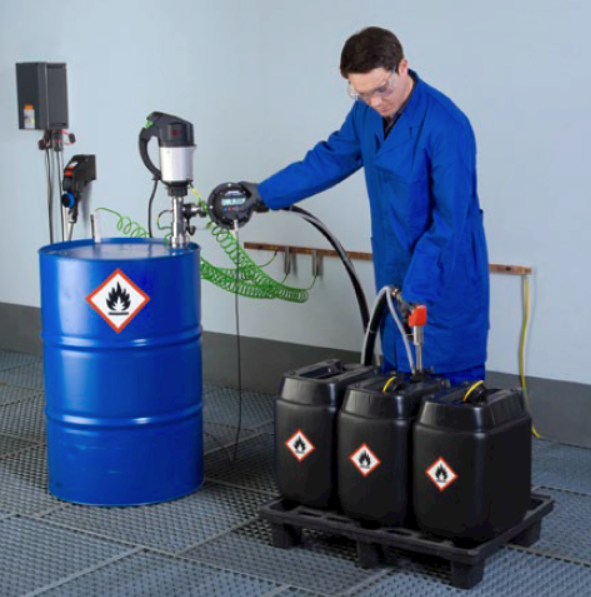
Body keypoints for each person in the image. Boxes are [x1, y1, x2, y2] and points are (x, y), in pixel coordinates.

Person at [238, 26, 489, 384]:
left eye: (381, 89)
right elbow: (332, 159)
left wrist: (418, 288)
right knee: (396, 385)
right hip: (393, 268)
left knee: (447, 395)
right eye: (361, 93)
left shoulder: (446, 125)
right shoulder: (366, 113)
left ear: (402, 67)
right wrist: (264, 193)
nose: (374, 102)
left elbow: (451, 223)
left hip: (443, 276)